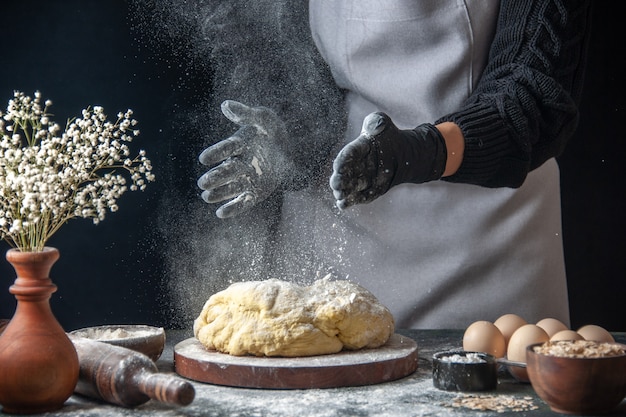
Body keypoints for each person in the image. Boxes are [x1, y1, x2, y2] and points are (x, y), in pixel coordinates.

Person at [145, 0, 592, 328]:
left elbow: (535, 97)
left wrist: (420, 152)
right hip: (335, 234)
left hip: (487, 249)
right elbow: (287, 63)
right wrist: (286, 142)